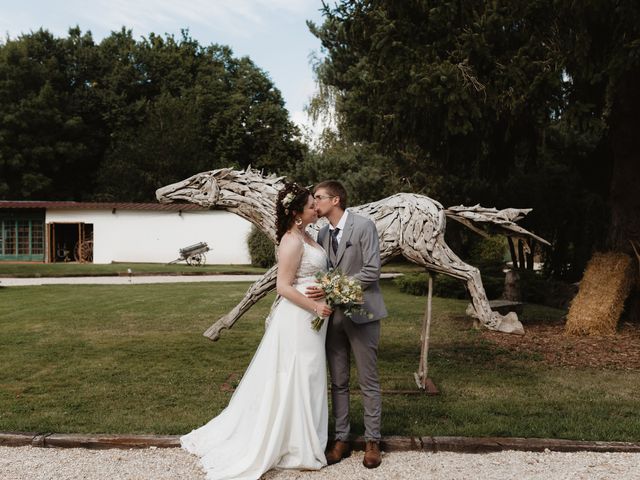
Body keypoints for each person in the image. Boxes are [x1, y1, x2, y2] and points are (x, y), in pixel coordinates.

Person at [181, 183, 333, 480]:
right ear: (296, 213)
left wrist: (328, 288)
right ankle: (293, 443)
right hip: (299, 318)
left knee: (310, 374)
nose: (317, 207)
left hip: (314, 318)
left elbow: (314, 273)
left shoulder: (309, 236)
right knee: (297, 373)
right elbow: (283, 287)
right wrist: (315, 307)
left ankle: (304, 437)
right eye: (311, 205)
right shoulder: (291, 241)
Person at [307, 180, 387, 469]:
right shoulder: (323, 232)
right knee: (338, 381)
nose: (315, 203)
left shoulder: (364, 226)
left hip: (363, 313)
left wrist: (335, 287)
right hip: (334, 316)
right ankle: (341, 438)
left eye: (319, 198)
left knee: (368, 380)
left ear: (336, 199)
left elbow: (372, 271)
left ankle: (372, 441)